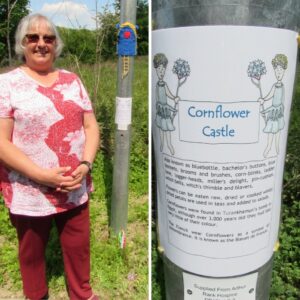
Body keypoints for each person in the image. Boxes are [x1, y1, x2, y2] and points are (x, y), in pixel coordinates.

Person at [0, 14, 100, 300]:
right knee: (31, 251)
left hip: (73, 184)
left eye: (49, 38)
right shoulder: (6, 84)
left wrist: (85, 163)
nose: (41, 43)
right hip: (29, 188)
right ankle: (37, 295)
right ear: (22, 43)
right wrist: (41, 175)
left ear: (56, 44)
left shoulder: (72, 80)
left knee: (78, 247)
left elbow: (91, 126)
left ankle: (82, 294)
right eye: (33, 37)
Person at [259, 54, 287, 157]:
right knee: (271, 131)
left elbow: (282, 100)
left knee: (278, 130)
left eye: (280, 70)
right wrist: (263, 100)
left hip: (278, 112)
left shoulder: (283, 86)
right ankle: (269, 147)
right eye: (276, 70)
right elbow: (270, 95)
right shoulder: (275, 86)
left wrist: (281, 110)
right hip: (273, 112)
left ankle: (277, 148)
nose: (278, 73)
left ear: (284, 71)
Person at [153, 53, 179, 155]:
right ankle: (162, 144)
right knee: (161, 128)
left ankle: (169, 145)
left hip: (165, 111)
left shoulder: (164, 84)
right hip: (161, 110)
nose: (161, 72)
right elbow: (158, 100)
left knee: (167, 129)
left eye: (163, 69)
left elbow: (169, 94)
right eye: (159, 69)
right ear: (156, 70)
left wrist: (174, 98)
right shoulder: (157, 85)